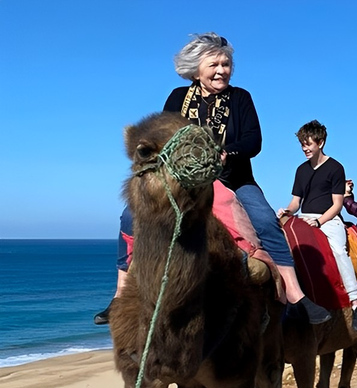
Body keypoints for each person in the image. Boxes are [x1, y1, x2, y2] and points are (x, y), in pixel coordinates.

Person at [94, 32, 330, 326]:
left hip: (234, 178)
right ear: (196, 69)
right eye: (214, 64)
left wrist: (226, 153)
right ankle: (121, 293)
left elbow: (253, 141)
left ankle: (295, 295)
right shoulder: (177, 98)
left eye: (226, 64)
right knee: (130, 216)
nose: (222, 70)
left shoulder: (241, 98)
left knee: (266, 220)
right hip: (185, 182)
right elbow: (163, 138)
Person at [277, 120, 357, 331]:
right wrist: (287, 211)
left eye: (308, 144)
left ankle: (355, 303)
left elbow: (337, 204)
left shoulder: (335, 168)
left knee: (339, 250)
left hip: (327, 218)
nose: (304, 148)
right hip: (304, 216)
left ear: (321, 142)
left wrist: (319, 221)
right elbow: (295, 202)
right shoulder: (301, 170)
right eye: (302, 144)